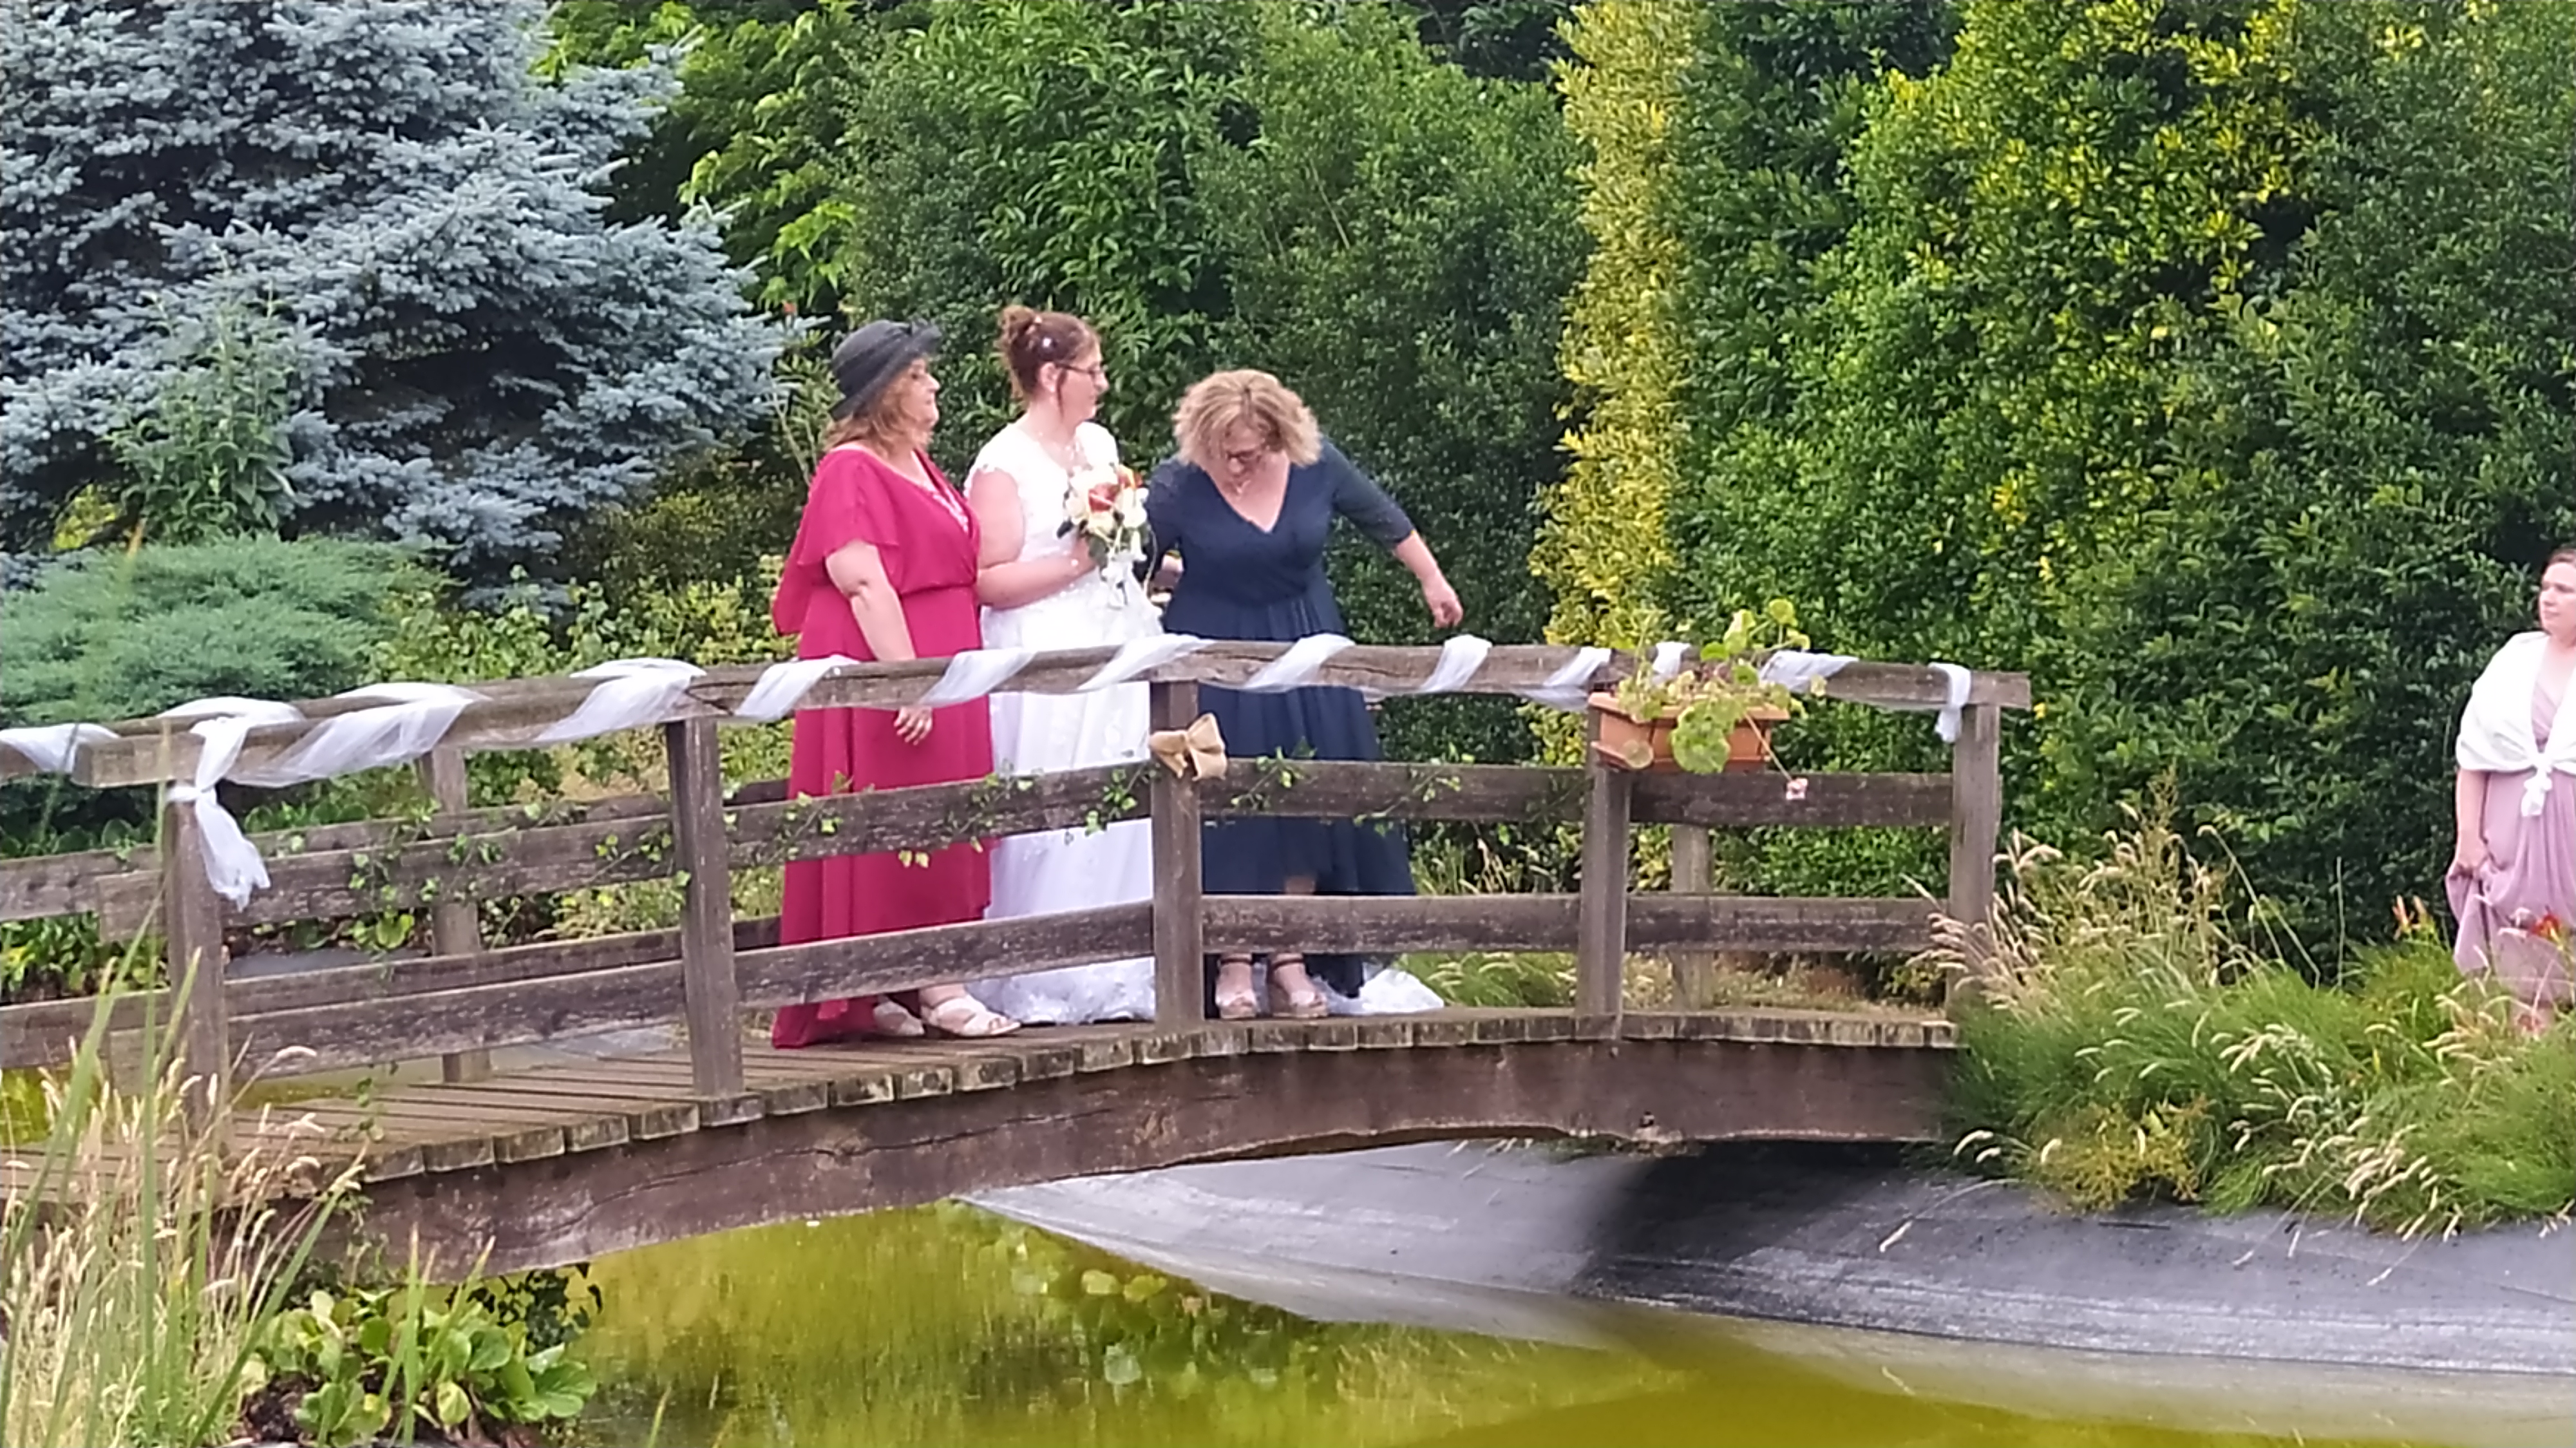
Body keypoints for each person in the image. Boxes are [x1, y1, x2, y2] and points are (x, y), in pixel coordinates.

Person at [1146, 369, 1463, 1019]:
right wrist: (1175, 575)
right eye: (1229, 453)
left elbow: (1384, 518)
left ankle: (1289, 956)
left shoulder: (1316, 462)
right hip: (1216, 652)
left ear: (1279, 435)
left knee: (1308, 807)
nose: (1241, 465)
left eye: (1255, 451)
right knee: (1228, 805)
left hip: (1306, 645)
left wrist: (1433, 581)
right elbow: (1129, 558)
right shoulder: (1178, 482)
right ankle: (1233, 959)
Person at [767, 319, 1020, 1045]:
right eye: (916, 376)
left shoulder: (920, 463)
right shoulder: (850, 468)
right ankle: (930, 983)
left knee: (948, 809)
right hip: (888, 654)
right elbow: (861, 578)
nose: (932, 384)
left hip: (945, 656)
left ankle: (895, 980)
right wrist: (906, 682)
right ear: (883, 393)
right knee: (900, 814)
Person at [963, 307, 1160, 1023]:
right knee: (1052, 799)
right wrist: (1077, 561)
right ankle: (1043, 971)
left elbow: (1119, 546)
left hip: (1115, 634)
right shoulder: (1003, 464)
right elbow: (987, 579)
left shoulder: (1099, 444)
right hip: (1042, 648)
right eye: (1093, 370)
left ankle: (1122, 967)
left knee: (1124, 791)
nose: (1103, 383)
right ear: (1053, 377)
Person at [2448, 545, 2576, 1032]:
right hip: (2510, 848)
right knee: (2521, 972)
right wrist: (2468, 838)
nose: (2549, 598)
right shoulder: (2514, 663)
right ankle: (2523, 1065)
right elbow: (2473, 756)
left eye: (2564, 590)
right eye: (2546, 588)